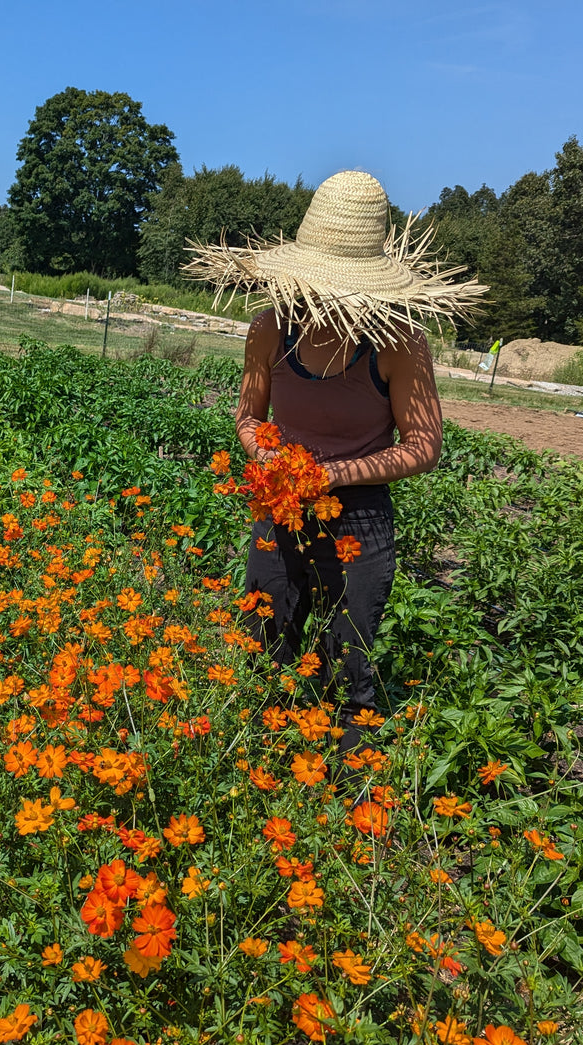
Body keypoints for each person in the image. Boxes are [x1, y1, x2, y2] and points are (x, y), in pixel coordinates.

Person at [182, 170, 485, 756]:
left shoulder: (399, 343)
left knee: (350, 666)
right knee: (266, 641)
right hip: (280, 508)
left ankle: (353, 803)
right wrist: (270, 460)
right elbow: (246, 416)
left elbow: (424, 445)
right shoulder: (271, 327)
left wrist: (335, 475)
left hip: (358, 520)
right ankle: (261, 775)